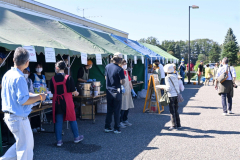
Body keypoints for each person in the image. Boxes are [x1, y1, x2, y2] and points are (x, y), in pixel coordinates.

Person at [1, 47, 46, 160]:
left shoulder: (7, 74)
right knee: (25, 148)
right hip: (18, 117)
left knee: (22, 144)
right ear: (27, 62)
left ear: (13, 60)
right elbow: (23, 100)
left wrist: (31, 95)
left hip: (10, 115)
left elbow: (16, 95)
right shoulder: (20, 77)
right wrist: (40, 97)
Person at [50, 61, 83, 147]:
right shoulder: (68, 78)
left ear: (57, 68)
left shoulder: (52, 79)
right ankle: (76, 137)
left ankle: (59, 141)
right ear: (64, 68)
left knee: (58, 121)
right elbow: (73, 91)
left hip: (57, 102)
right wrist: (77, 93)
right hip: (67, 102)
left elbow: (52, 91)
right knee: (72, 119)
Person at [105, 52, 125, 134]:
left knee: (109, 110)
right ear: (120, 60)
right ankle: (116, 128)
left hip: (108, 90)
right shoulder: (120, 69)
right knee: (117, 110)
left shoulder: (107, 66)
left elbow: (105, 77)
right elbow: (122, 81)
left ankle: (107, 127)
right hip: (117, 91)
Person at [29, 63, 47, 132]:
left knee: (39, 112)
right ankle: (33, 126)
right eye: (37, 66)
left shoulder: (43, 76)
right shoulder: (33, 76)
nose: (38, 68)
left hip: (42, 97)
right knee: (34, 112)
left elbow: (45, 86)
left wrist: (46, 95)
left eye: (40, 66)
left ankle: (39, 126)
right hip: (35, 96)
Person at [119, 60, 136, 128]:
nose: (125, 65)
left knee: (127, 107)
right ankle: (120, 121)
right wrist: (121, 87)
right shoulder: (119, 72)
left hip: (128, 92)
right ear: (120, 65)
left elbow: (129, 81)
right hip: (123, 92)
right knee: (123, 107)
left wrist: (132, 90)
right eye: (124, 64)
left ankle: (125, 120)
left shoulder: (126, 72)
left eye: (126, 64)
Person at [164, 64, 181, 130]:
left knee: (172, 111)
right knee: (176, 110)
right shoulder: (175, 75)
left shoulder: (167, 77)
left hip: (171, 95)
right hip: (176, 94)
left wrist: (163, 88)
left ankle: (174, 125)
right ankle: (178, 124)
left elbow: (168, 88)